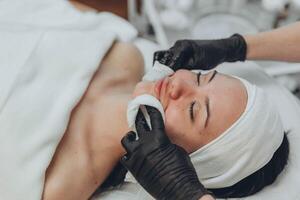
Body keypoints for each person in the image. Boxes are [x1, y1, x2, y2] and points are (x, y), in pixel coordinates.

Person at [121, 22, 300, 200]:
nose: (178, 84)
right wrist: (236, 47)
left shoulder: (95, 163)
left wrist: (184, 193)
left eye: (193, 110)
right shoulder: (129, 58)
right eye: (200, 78)